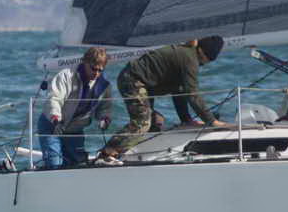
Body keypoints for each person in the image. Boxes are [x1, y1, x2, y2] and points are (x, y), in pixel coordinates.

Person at [97, 36, 228, 165]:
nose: (204, 64)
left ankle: (138, 155)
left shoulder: (188, 55)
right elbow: (193, 94)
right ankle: (106, 154)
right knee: (142, 123)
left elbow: (180, 91)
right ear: (202, 52)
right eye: (207, 60)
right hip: (133, 79)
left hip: (144, 84)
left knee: (157, 121)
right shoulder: (190, 59)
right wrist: (211, 121)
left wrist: (186, 119)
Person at [38, 47, 113, 169]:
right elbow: (54, 99)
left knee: (77, 165)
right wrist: (55, 119)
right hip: (52, 126)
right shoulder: (66, 76)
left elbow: (105, 108)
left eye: (100, 70)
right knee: (54, 164)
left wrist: (105, 118)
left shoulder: (104, 86)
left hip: (75, 130)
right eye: (93, 68)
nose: (96, 73)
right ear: (85, 62)